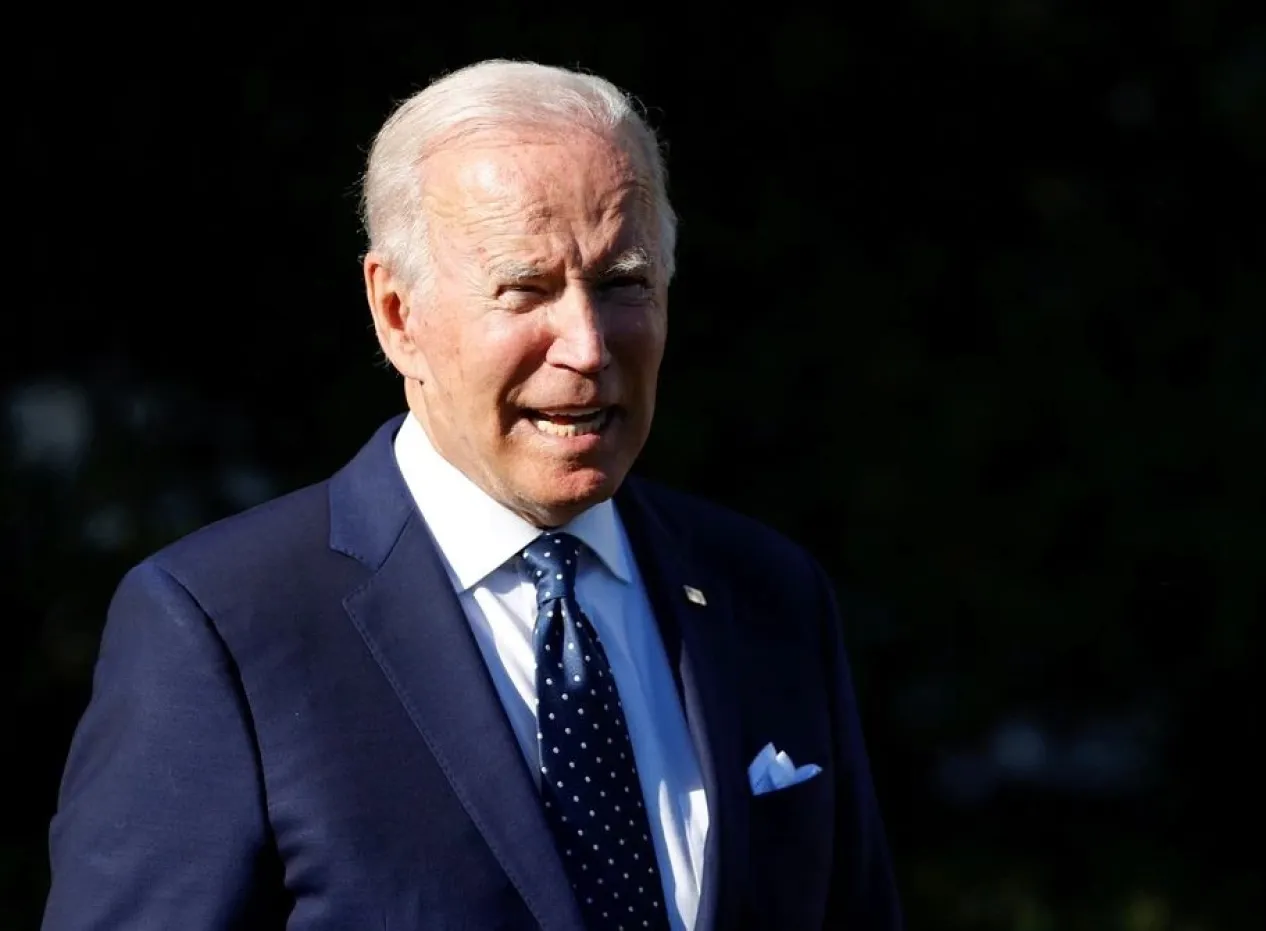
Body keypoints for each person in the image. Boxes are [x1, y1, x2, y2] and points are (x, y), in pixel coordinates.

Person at [42, 59, 901, 931]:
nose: (587, 345)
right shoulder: (225, 627)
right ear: (397, 312)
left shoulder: (768, 595)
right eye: (525, 288)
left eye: (622, 285)